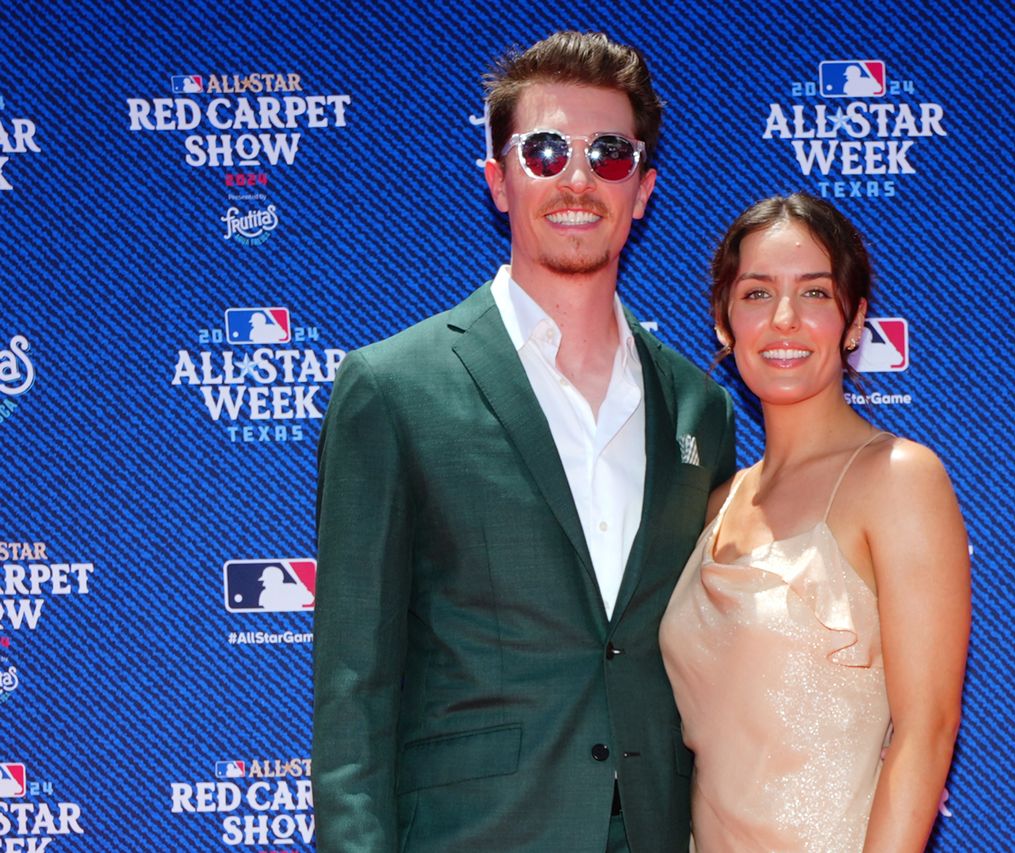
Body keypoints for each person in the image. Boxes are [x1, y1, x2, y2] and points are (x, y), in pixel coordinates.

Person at [311, 31, 737, 853]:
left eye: (609, 154)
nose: (577, 179)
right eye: (545, 152)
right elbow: (353, 688)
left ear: (643, 190)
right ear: (498, 181)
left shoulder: (699, 407)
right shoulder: (392, 388)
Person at [660, 194, 970, 852]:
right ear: (723, 323)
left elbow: (928, 730)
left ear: (854, 322)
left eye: (815, 293)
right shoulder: (717, 504)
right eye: (756, 293)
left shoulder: (898, 479)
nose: (784, 318)